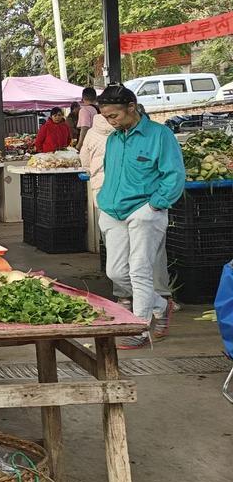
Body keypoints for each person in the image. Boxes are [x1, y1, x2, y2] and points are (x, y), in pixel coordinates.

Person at [96, 84, 183, 348]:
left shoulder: (160, 135)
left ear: (131, 108)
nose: (111, 122)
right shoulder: (113, 139)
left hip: (145, 211)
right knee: (116, 272)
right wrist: (104, 202)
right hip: (113, 211)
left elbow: (174, 175)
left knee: (140, 271)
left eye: (114, 116)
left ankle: (138, 329)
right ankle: (159, 304)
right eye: (106, 117)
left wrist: (155, 205)